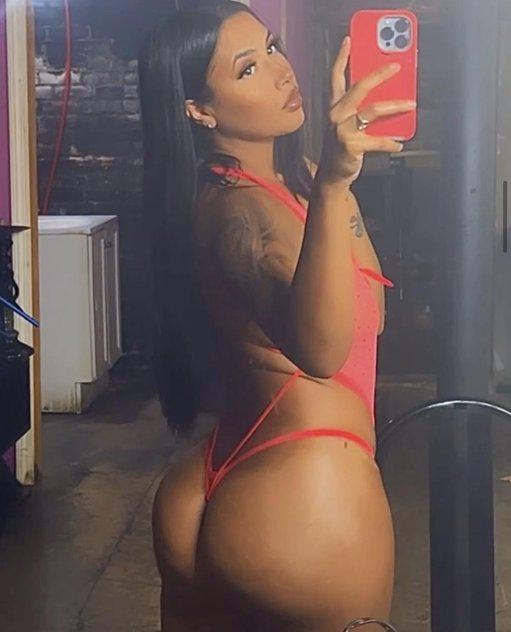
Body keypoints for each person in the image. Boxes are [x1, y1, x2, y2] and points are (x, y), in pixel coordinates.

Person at [138, 1, 416, 630]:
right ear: (198, 110)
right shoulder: (242, 213)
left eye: (271, 48)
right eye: (247, 69)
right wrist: (336, 186)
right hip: (306, 493)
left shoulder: (291, 181)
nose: (281, 71)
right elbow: (323, 353)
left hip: (221, 474)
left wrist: (333, 182)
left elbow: (370, 314)